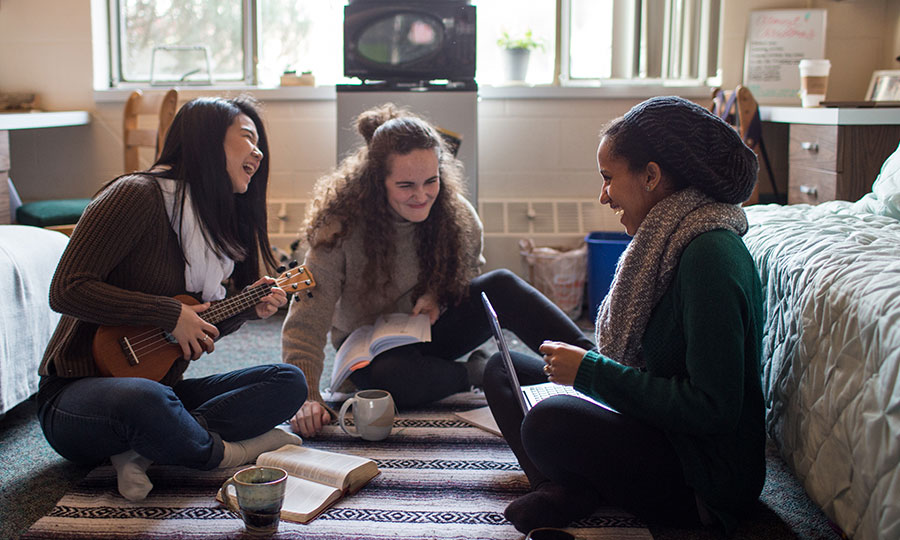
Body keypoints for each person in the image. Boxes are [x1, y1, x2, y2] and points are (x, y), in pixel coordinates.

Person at [482, 96, 765, 536]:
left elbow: (714, 410)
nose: (603, 195)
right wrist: (591, 373)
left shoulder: (710, 255)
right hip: (656, 428)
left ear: (651, 176)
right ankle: (564, 489)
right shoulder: (664, 237)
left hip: (704, 475)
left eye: (609, 179)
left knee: (548, 420)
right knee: (502, 369)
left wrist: (591, 374)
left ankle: (574, 488)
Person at [36, 95, 307, 502]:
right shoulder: (136, 195)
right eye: (247, 138)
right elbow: (66, 288)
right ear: (207, 139)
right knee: (146, 401)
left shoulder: (210, 225)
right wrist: (167, 312)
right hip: (77, 397)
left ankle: (146, 447)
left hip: (158, 389)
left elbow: (188, 330)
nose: (259, 152)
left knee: (288, 381)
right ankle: (226, 454)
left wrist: (245, 309)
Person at [282, 103, 593, 437]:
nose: (422, 195)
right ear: (376, 182)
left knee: (500, 284)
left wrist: (436, 298)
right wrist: (306, 396)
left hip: (431, 329)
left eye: (431, 181)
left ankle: (597, 367)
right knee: (392, 382)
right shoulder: (338, 229)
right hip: (372, 351)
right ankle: (478, 372)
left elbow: (468, 275)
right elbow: (307, 316)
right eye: (406, 186)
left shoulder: (456, 214)